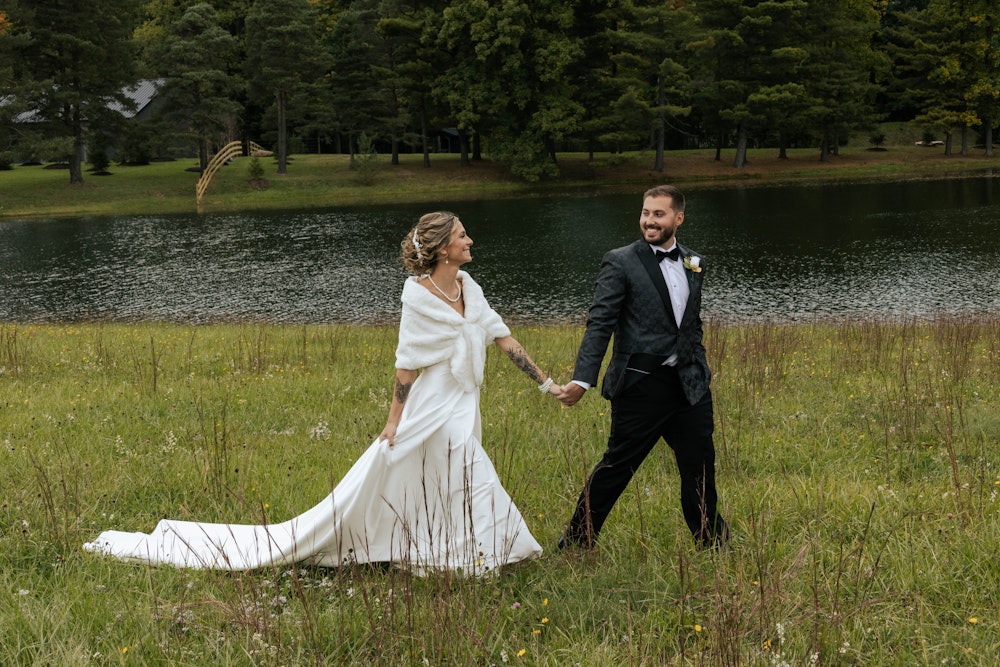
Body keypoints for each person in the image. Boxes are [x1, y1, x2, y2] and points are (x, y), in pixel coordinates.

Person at [84, 211, 561, 574]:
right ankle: (483, 554)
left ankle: (452, 550)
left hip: (464, 401)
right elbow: (405, 366)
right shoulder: (417, 298)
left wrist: (545, 383)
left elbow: (503, 337)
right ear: (441, 249)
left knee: (445, 475)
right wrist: (392, 423)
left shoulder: (469, 286)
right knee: (469, 467)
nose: (469, 240)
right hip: (432, 405)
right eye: (461, 236)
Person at [554, 184, 728, 550]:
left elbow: (690, 321)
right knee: (617, 467)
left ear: (678, 218)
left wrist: (698, 362)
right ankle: (576, 543)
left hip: (689, 385)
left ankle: (712, 543)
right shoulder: (620, 261)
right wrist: (582, 379)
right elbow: (600, 323)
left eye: (659, 214)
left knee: (700, 467)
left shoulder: (694, 261)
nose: (649, 220)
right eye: (646, 213)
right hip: (641, 386)